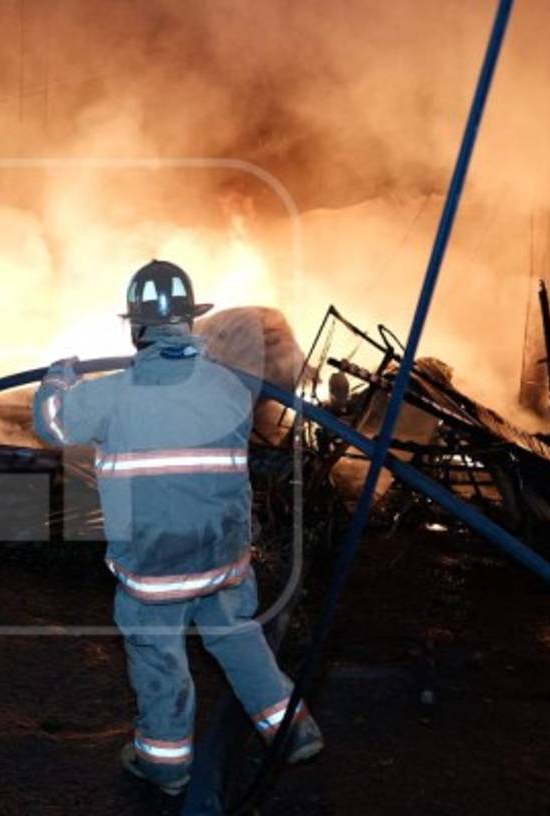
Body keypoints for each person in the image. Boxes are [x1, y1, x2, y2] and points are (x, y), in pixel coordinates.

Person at [32, 260, 324, 795]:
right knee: (237, 637)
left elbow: (51, 423)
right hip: (222, 559)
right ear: (190, 322)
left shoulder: (111, 394)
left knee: (159, 657)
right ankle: (292, 730)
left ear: (136, 328)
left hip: (156, 569)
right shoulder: (231, 387)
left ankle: (165, 764)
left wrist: (58, 378)